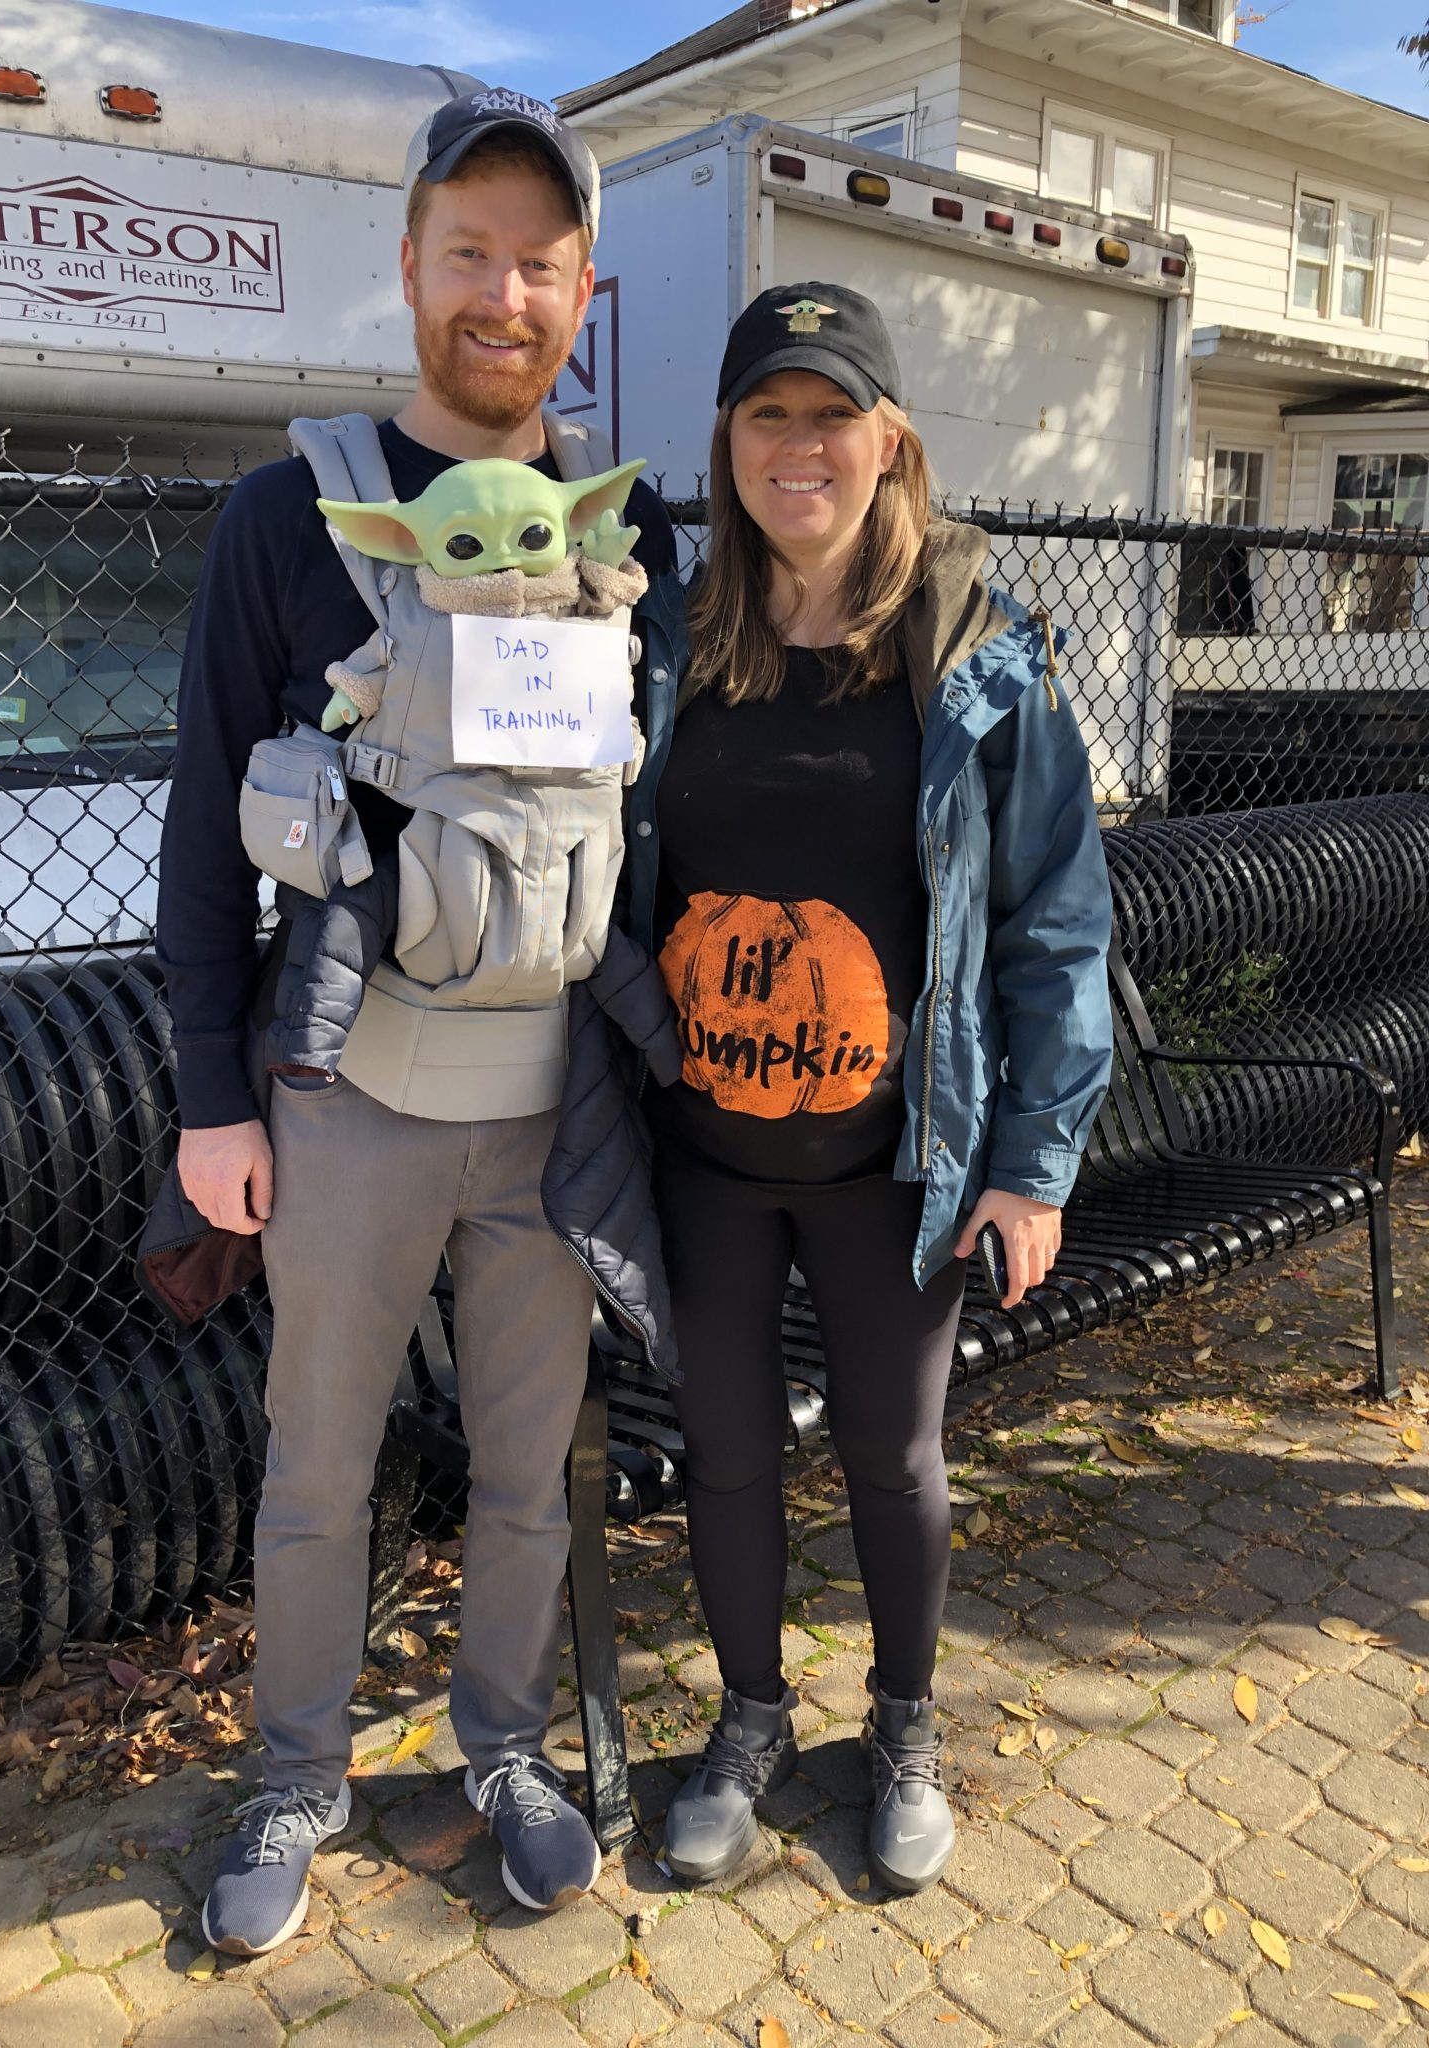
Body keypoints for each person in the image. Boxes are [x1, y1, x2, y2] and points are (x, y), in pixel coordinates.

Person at [154, 87, 677, 1957]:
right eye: (469, 249)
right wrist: (217, 1101)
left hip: (563, 1106)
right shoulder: (281, 521)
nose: (502, 290)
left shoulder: (625, 539)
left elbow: (648, 812)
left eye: (539, 260)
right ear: (409, 266)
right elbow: (210, 821)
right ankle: (296, 1774)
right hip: (350, 1102)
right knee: (320, 1466)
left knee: (535, 1466)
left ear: (581, 289)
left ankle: (508, 1754)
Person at [622, 282, 1114, 1894]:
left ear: (887, 436)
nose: (799, 444)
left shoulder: (973, 655)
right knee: (730, 1448)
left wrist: (1033, 1164)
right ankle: (753, 1718)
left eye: (830, 411)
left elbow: (1054, 917)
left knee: (897, 1458)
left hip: (894, 1157)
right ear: (731, 440)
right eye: (769, 412)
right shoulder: (667, 641)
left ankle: (902, 1723)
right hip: (699, 1150)